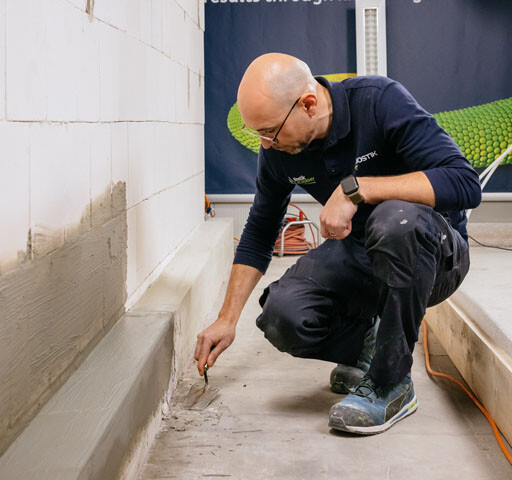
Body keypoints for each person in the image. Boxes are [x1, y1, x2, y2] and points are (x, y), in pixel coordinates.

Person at [194, 53, 481, 435]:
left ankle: (391, 384)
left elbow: (464, 183)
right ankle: (370, 344)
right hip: (362, 252)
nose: (266, 143)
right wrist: (227, 320)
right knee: (283, 316)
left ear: (308, 104)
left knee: (395, 219)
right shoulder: (278, 150)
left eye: (270, 132)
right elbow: (260, 231)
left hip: (433, 252)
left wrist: (358, 190)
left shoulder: (379, 101)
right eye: (257, 134)